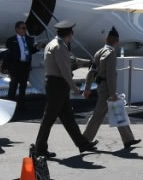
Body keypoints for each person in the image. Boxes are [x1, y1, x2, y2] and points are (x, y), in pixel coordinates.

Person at [35, 21, 97, 158]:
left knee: (67, 117)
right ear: (69, 34)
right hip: (58, 84)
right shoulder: (60, 47)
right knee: (49, 118)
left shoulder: (52, 44)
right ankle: (39, 148)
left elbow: (68, 63)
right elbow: (64, 70)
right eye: (72, 33)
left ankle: (82, 143)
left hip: (54, 83)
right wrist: (74, 87)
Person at [83, 27, 141, 149]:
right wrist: (113, 93)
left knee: (118, 111)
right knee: (99, 115)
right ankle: (84, 141)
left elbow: (91, 72)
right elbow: (110, 75)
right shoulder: (110, 53)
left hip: (101, 86)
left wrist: (87, 88)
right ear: (117, 41)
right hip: (107, 89)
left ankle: (128, 139)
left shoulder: (98, 52)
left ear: (106, 39)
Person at [4, 21, 40, 108]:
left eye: (25, 28)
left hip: (25, 65)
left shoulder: (28, 39)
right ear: (17, 29)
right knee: (13, 86)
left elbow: (31, 51)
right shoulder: (11, 40)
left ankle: (21, 106)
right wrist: (6, 67)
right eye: (23, 28)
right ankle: (9, 106)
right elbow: (7, 54)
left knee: (23, 87)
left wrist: (38, 47)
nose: (25, 30)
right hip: (15, 66)